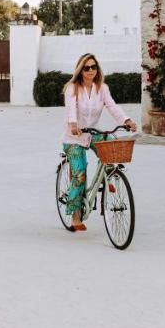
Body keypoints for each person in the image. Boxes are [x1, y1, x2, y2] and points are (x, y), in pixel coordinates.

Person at [61, 53, 136, 231]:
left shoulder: (102, 88)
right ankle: (75, 215)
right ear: (80, 70)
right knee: (79, 174)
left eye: (93, 67)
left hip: (92, 133)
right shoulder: (73, 87)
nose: (90, 71)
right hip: (74, 137)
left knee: (110, 141)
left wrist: (126, 120)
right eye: (86, 68)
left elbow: (112, 106)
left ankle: (108, 174)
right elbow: (71, 108)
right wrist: (73, 124)